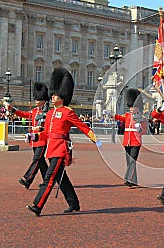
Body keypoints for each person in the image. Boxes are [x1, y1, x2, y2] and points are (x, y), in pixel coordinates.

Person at [25, 67, 101, 216]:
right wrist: (34, 137)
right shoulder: (51, 113)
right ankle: (74, 203)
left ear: (63, 95)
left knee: (49, 178)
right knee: (62, 178)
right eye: (52, 94)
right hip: (51, 149)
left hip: (60, 149)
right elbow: (46, 133)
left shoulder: (68, 112)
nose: (52, 96)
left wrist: (95, 138)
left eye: (56, 94)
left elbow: (82, 126)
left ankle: (37, 205)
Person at [8, 82, 50, 189]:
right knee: (41, 162)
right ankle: (48, 181)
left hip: (42, 139)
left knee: (36, 159)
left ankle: (27, 179)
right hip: (34, 139)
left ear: (43, 100)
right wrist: (13, 110)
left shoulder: (48, 112)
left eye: (38, 99)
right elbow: (25, 114)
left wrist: (41, 129)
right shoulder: (35, 111)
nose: (36, 101)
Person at [113, 88, 146, 187]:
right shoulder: (127, 115)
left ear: (138, 108)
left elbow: (143, 131)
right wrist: (111, 115)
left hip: (136, 141)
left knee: (132, 161)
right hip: (127, 141)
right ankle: (134, 180)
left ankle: (128, 178)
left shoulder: (141, 117)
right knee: (129, 162)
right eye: (130, 107)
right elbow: (120, 118)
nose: (131, 109)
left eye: (133, 107)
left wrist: (139, 129)